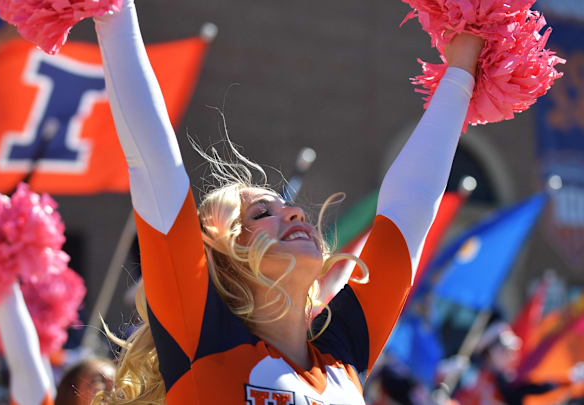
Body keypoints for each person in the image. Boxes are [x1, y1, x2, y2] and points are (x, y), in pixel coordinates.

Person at [92, 1, 483, 403]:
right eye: (261, 213)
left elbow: (410, 205)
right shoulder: (202, 338)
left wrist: (464, 65)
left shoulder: (344, 351)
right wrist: (112, 12)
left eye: (284, 206)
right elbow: (152, 161)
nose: (295, 211)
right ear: (223, 256)